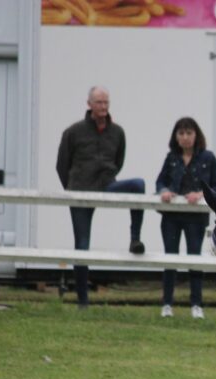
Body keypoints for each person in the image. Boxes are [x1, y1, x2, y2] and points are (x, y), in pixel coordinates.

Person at [56, 86, 146, 307]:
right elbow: (62, 165)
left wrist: (108, 176)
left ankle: (135, 239)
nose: (103, 106)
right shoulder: (73, 132)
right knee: (82, 245)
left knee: (138, 185)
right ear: (89, 104)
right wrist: (73, 189)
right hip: (81, 190)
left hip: (107, 185)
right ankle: (83, 301)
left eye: (106, 102)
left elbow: (118, 161)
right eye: (98, 102)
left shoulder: (117, 132)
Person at [155, 117, 216, 318]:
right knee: (170, 258)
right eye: (181, 133)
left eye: (189, 133)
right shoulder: (171, 158)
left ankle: (196, 304)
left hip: (195, 216)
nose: (185, 137)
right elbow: (160, 182)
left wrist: (201, 194)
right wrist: (165, 191)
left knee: (194, 259)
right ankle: (167, 304)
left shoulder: (208, 158)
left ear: (196, 135)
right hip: (171, 216)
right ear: (176, 137)